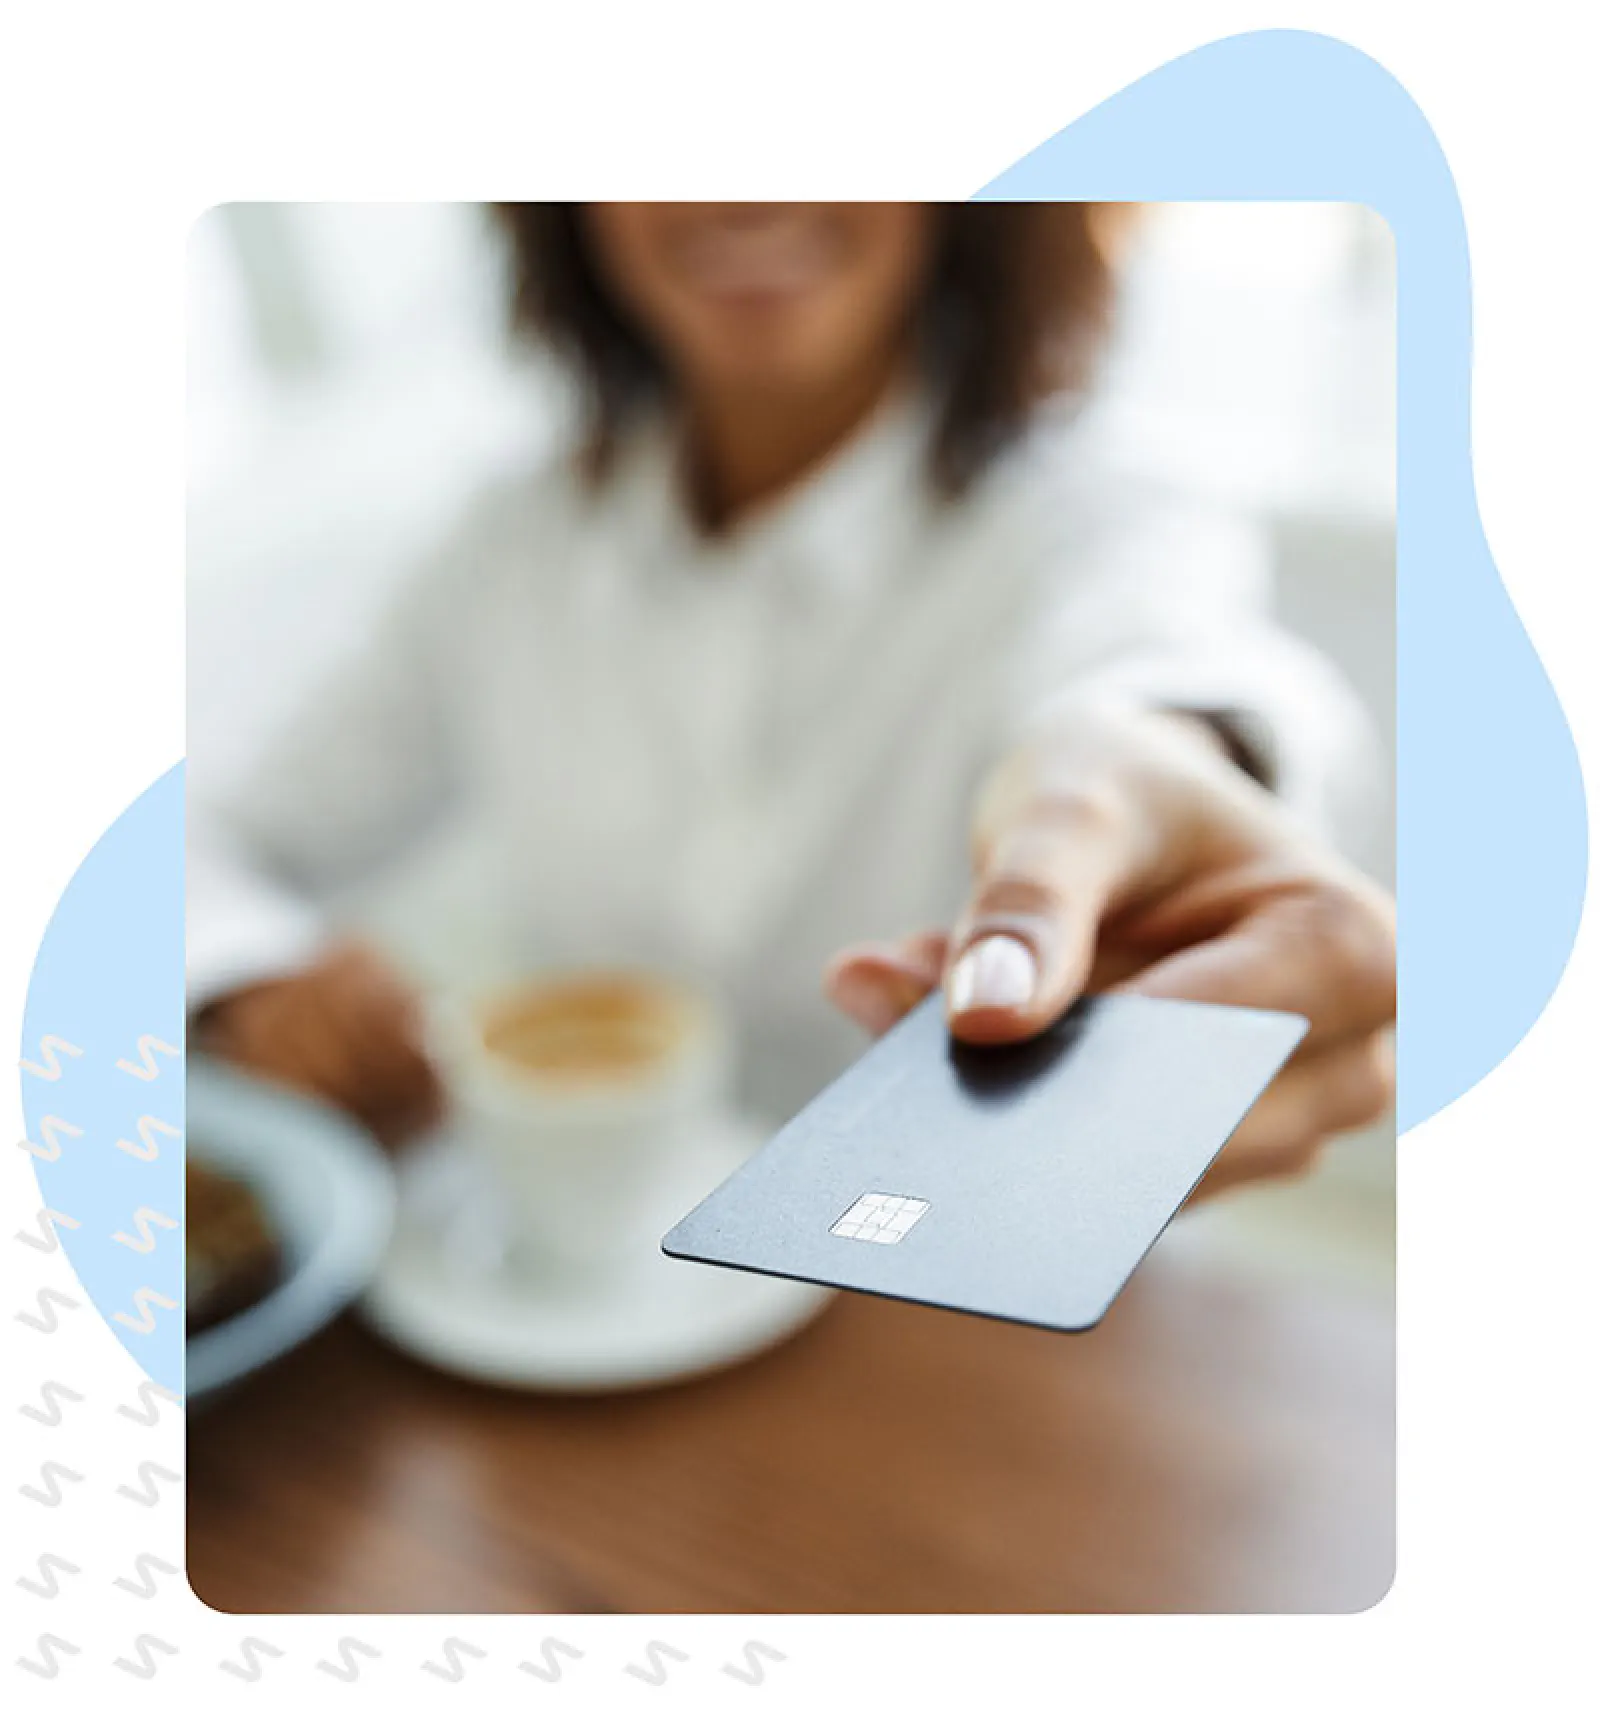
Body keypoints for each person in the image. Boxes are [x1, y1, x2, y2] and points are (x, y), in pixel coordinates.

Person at [188, 202, 1395, 1196]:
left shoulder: (1106, 520)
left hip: (977, 1306)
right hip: (583, 1297)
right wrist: (251, 976)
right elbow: (194, 844)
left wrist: (1182, 759)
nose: (743, 192)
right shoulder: (505, 548)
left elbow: (1183, 685)